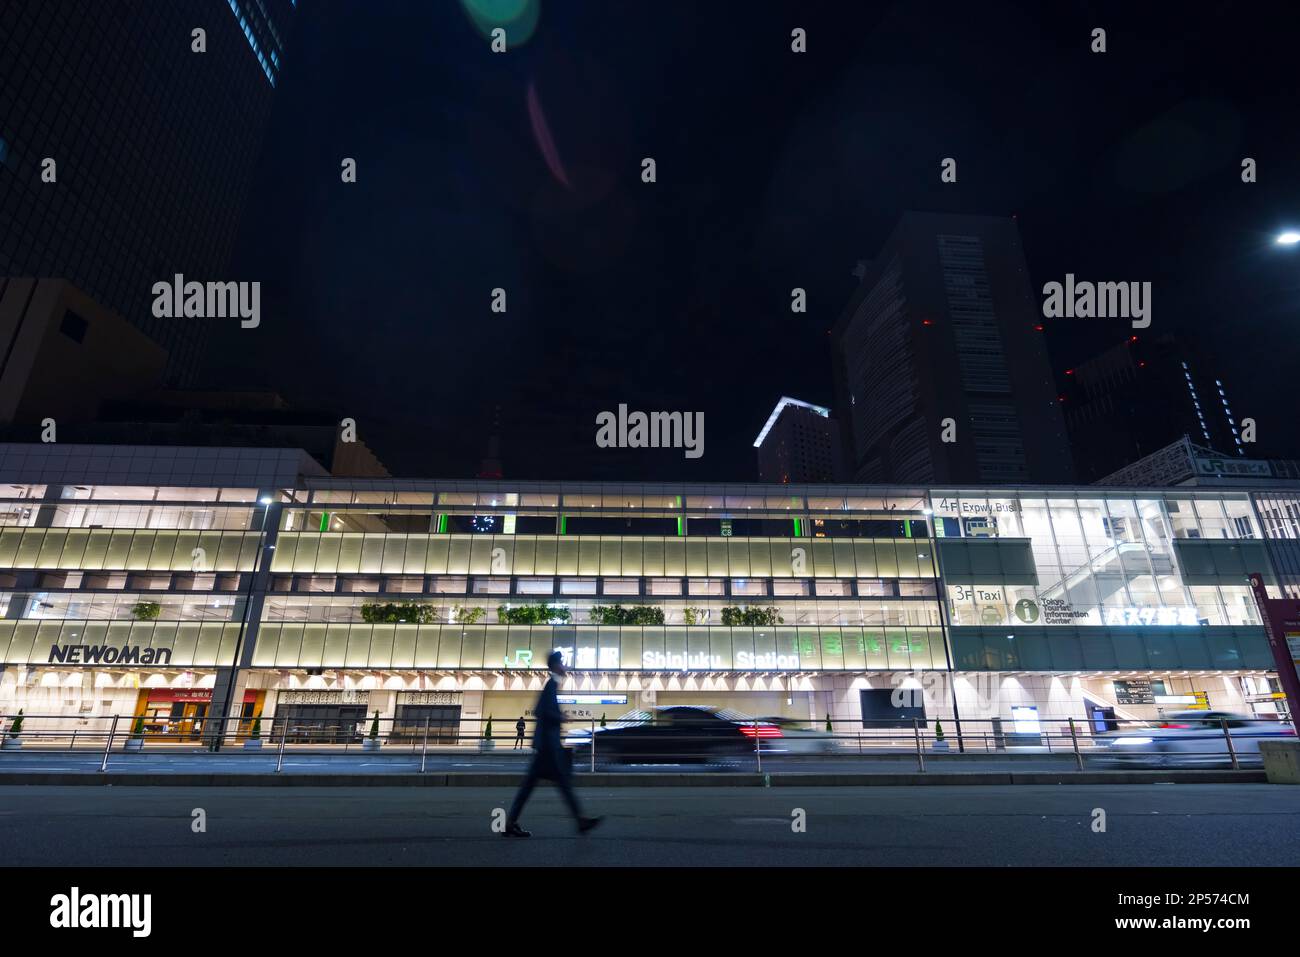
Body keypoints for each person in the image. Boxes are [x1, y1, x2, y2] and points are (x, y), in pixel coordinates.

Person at [503, 650, 602, 837]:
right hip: (548, 747)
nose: (565, 666)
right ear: (555, 665)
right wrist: (560, 716)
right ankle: (580, 821)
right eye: (562, 663)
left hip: (546, 746)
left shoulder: (553, 684)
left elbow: (542, 710)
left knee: (532, 785)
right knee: (562, 784)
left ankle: (510, 822)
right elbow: (540, 711)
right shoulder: (551, 684)